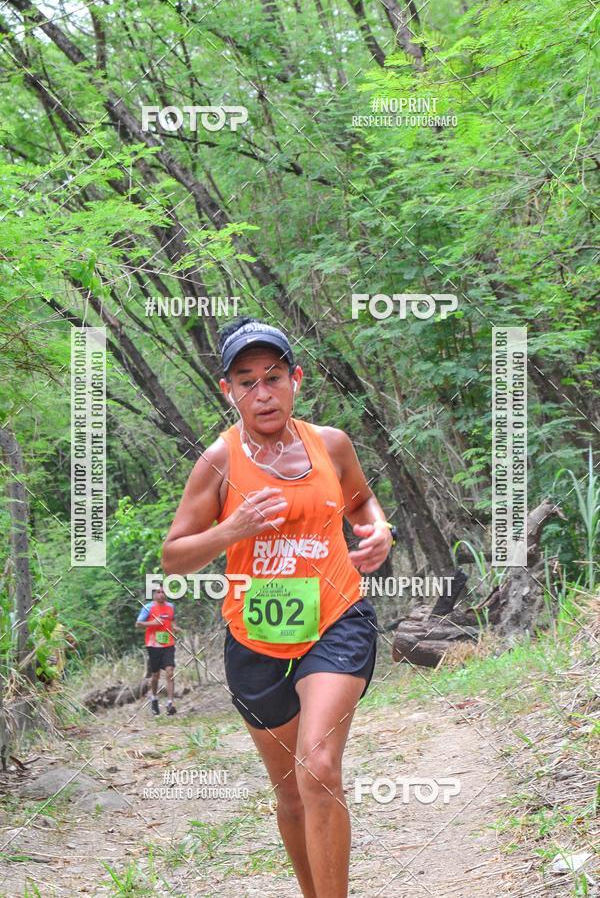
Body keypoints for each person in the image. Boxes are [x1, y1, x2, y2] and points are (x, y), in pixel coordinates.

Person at [162, 317, 394, 898]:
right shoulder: (216, 463)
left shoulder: (331, 445)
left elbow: (363, 506)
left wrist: (379, 528)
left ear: (295, 379)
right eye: (246, 381)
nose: (261, 393)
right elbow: (173, 557)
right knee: (290, 789)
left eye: (272, 378)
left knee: (318, 767)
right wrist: (230, 529)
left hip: (336, 619)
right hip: (254, 636)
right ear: (228, 391)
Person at [136, 585, 181, 715]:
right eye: (158, 592)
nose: (161, 594)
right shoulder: (148, 607)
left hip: (168, 644)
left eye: (163, 592)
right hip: (153, 645)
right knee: (155, 675)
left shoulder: (171, 607)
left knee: (170, 672)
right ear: (154, 594)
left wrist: (176, 628)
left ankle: (170, 703)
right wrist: (153, 623)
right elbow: (138, 624)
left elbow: (172, 621)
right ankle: (154, 699)